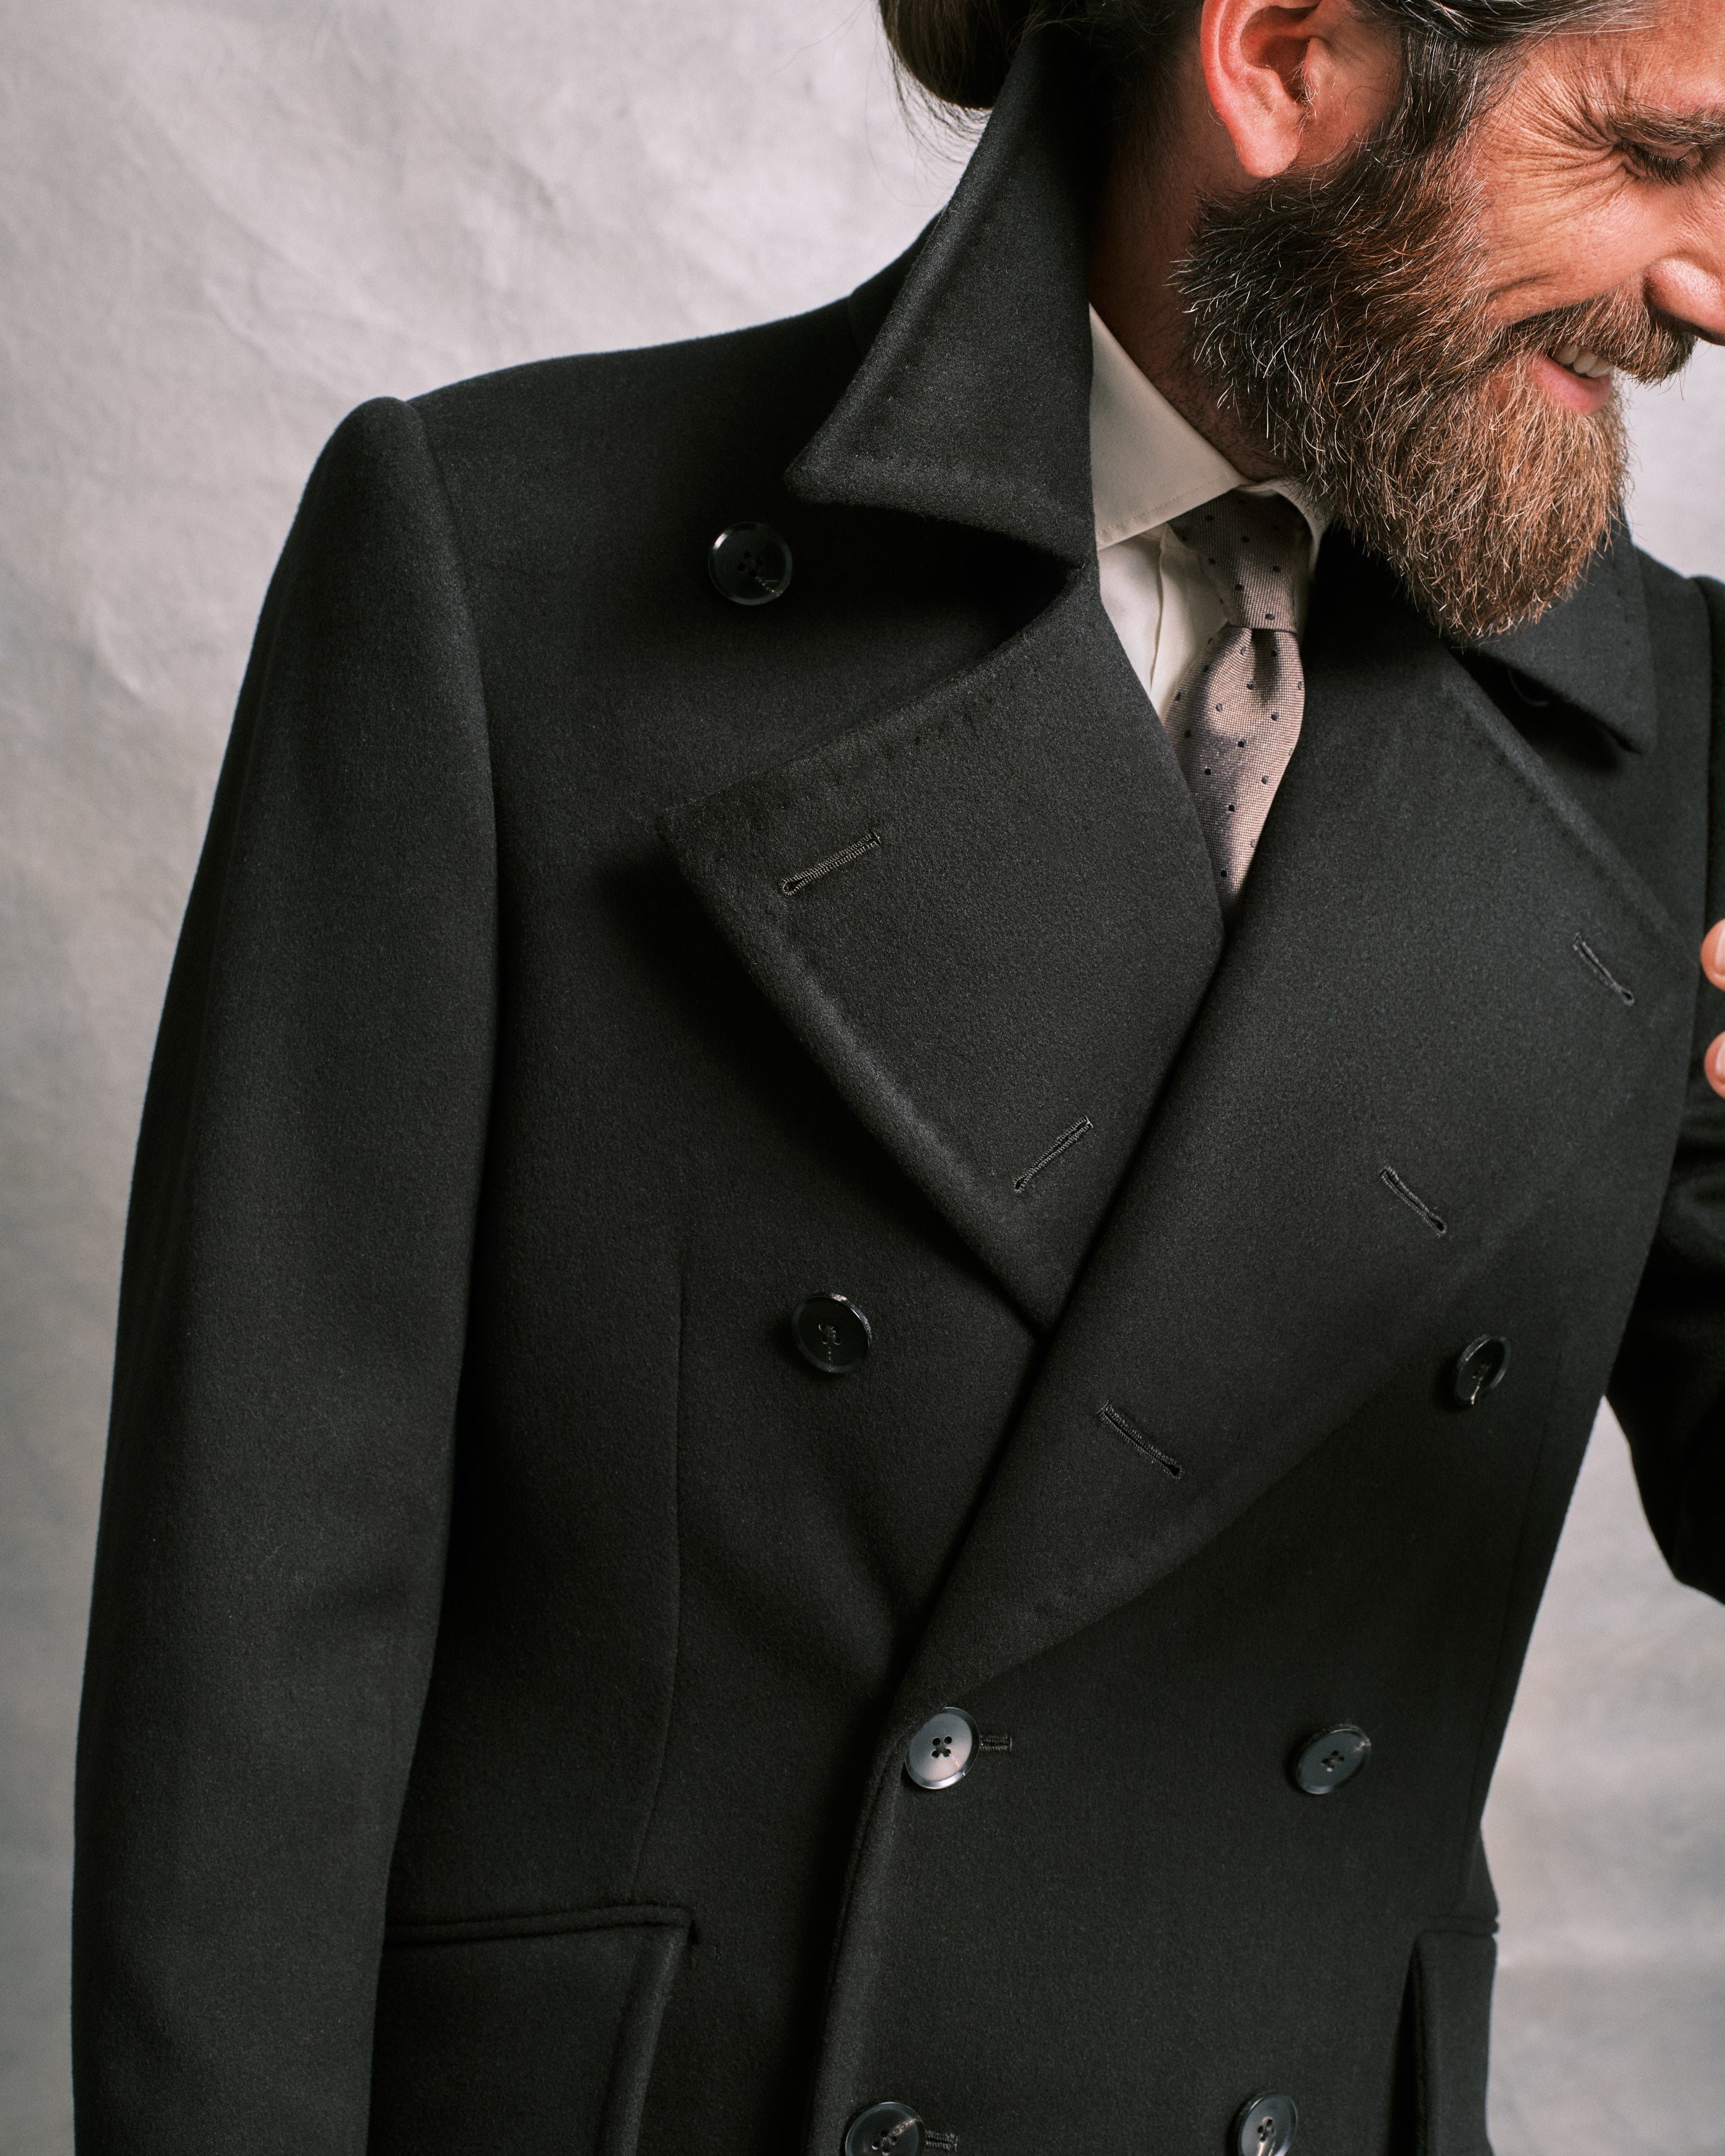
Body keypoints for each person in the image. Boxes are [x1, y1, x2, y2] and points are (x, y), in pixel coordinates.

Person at [71, 0, 1725, 2150]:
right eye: (1653, 154)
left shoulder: (1678, 723)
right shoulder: (503, 570)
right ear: (1286, 58)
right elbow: (258, 1634)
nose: (1712, 282)